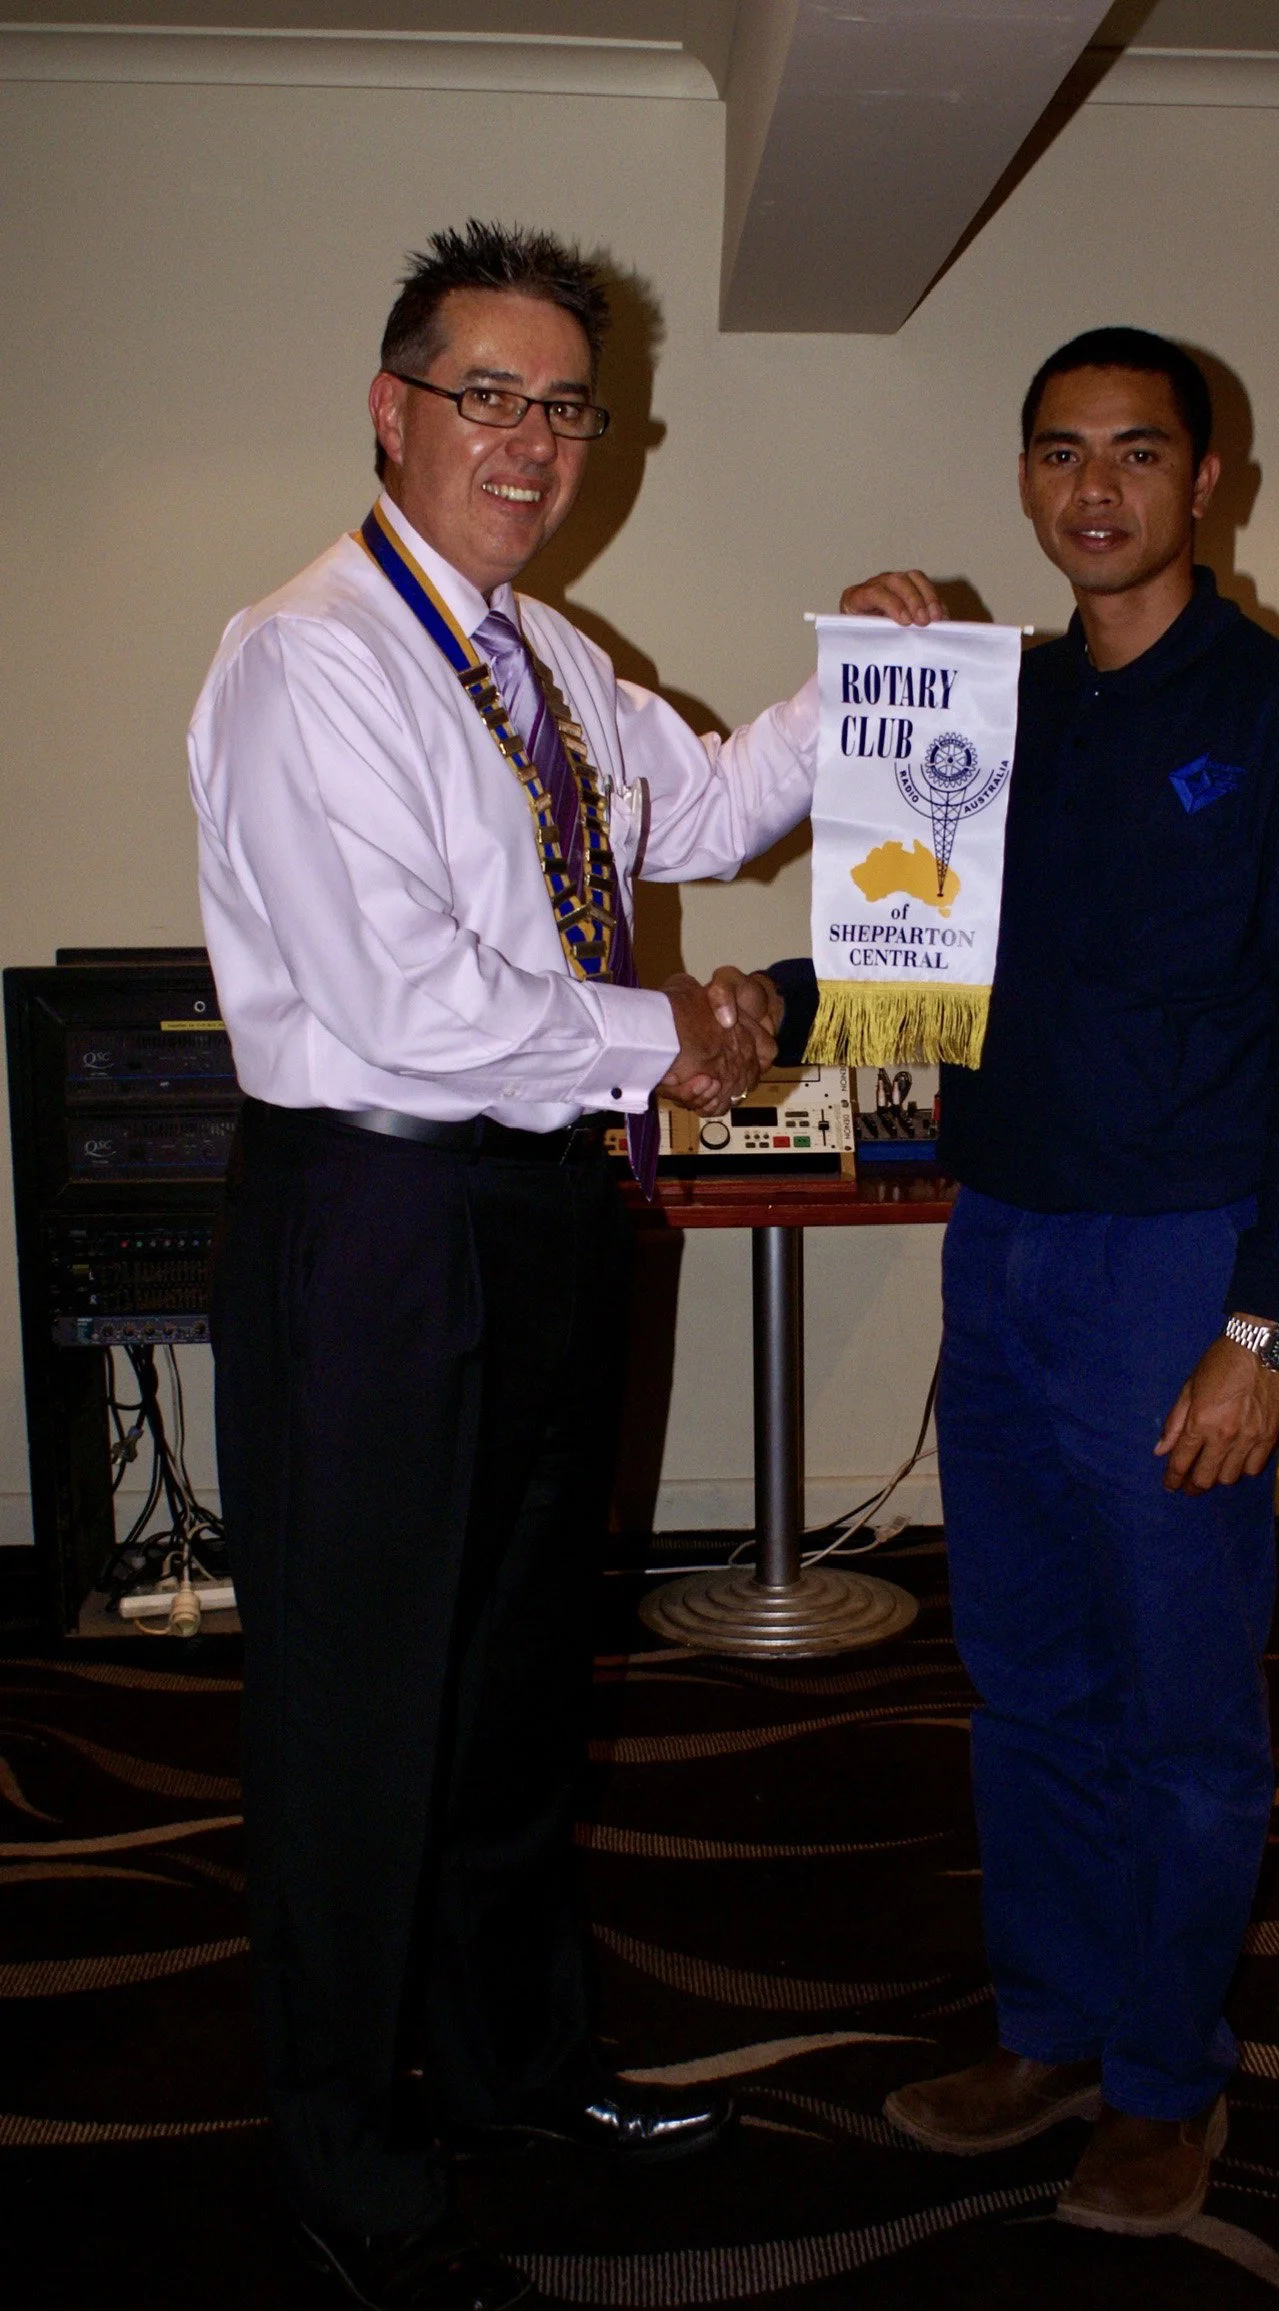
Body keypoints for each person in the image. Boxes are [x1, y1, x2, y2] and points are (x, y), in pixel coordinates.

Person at [189, 220, 811, 2311]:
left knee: (527, 1673)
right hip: (374, 1213)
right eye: (492, 397)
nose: (535, 445)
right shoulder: (312, 657)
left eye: (567, 406)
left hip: (540, 1205)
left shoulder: (537, 659)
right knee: (365, 1708)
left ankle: (522, 2067)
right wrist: (680, 1040)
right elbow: (402, 1002)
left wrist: (877, 680)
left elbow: (706, 809)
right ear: (394, 408)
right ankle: (349, 2144)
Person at [831, 328, 1279, 2237]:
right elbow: (907, 946)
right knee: (1026, 1682)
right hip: (998, 1249)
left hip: (1181, 1272)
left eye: (1138, 455)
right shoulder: (994, 710)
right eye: (1060, 453)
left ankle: (1168, 2079)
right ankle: (1052, 2026)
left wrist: (1267, 1321)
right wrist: (887, 693)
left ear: (1207, 483)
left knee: (1181, 1703)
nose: (1096, 491)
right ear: (1024, 480)